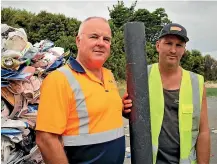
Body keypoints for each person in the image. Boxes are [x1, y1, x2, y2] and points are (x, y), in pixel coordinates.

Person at [36, 17, 125, 164]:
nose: (101, 43)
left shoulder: (109, 75)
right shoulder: (59, 79)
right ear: (78, 41)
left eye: (106, 39)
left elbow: (97, 113)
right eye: (94, 37)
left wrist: (123, 108)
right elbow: (46, 140)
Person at [123, 23, 210, 164]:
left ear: (184, 50)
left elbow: (204, 131)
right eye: (168, 43)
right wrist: (125, 110)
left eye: (179, 45)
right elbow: (129, 111)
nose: (173, 50)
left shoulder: (197, 83)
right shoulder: (140, 76)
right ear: (158, 46)